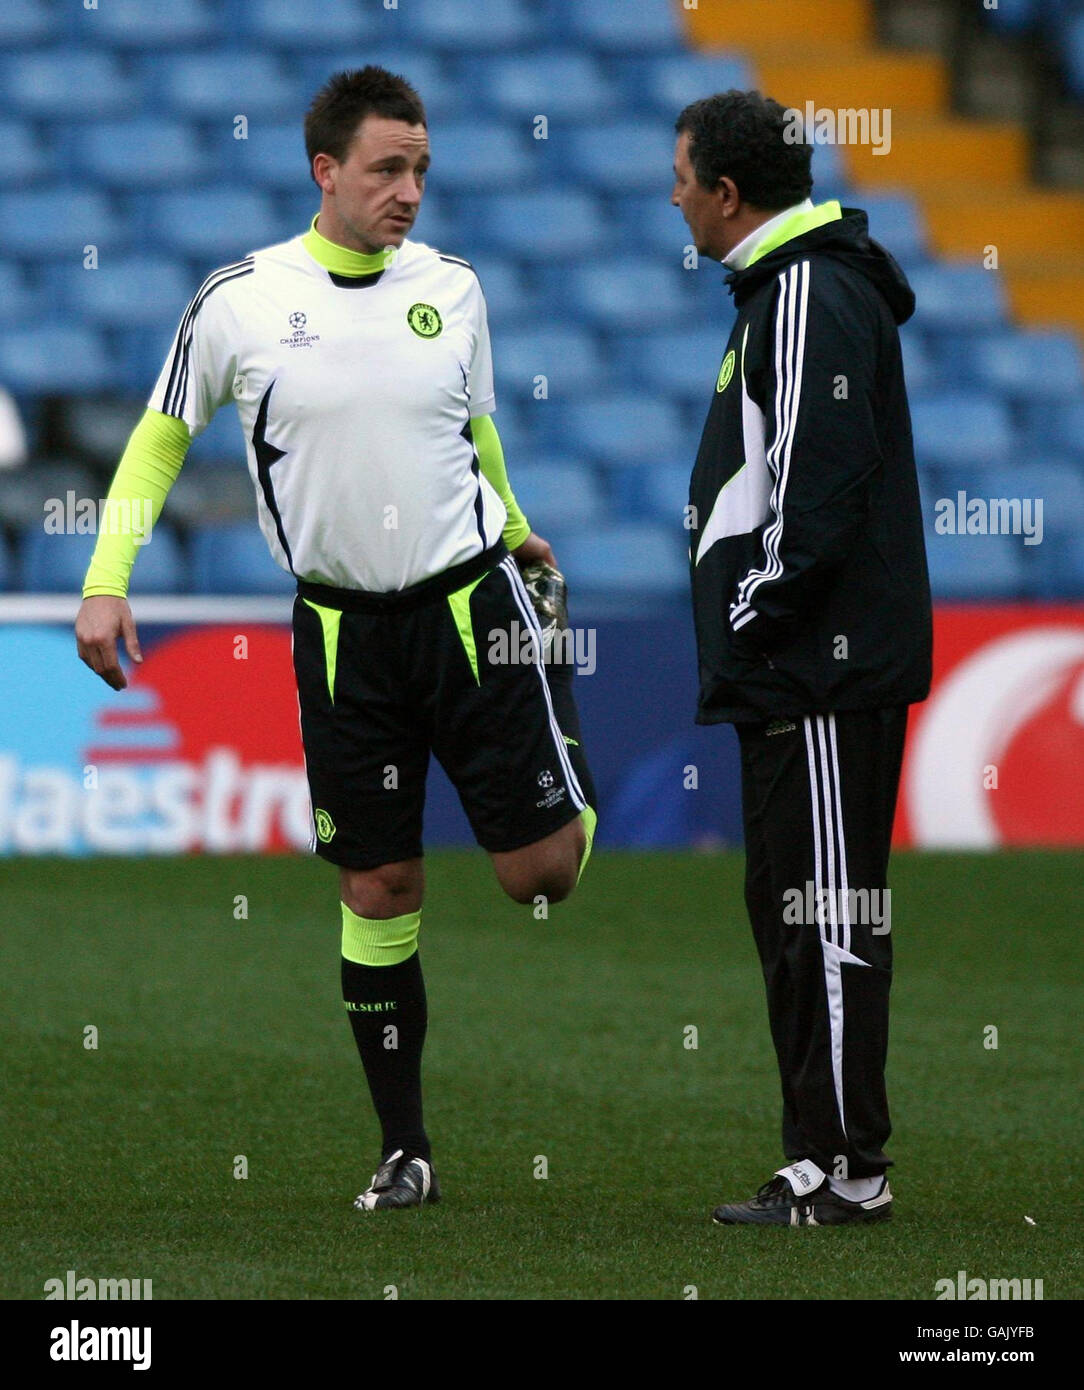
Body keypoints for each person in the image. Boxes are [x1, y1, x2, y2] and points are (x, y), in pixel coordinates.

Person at [75, 66, 596, 1212]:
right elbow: (160, 438)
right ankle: (404, 1148)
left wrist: (514, 526)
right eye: (386, 169)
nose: (409, 190)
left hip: (471, 605)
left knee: (539, 875)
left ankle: (555, 715)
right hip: (341, 632)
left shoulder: (452, 287)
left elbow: (473, 427)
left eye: (420, 168)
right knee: (378, 883)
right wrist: (107, 578)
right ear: (325, 171)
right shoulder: (239, 300)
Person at [671, 91, 931, 1225]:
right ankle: (819, 1157)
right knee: (798, 916)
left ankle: (845, 1170)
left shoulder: (805, 292)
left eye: (681, 177)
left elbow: (817, 483)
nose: (671, 195)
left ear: (727, 195)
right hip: (798, 674)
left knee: (824, 920)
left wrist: (754, 614)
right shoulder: (792, 290)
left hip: (816, 673)